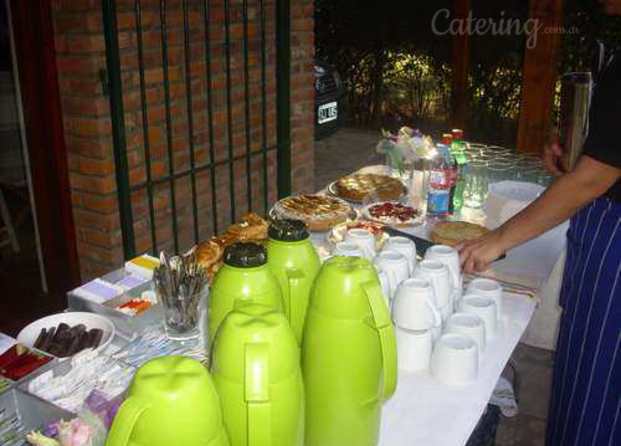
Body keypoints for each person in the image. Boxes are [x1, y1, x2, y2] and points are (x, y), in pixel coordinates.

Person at [458, 2, 621, 445]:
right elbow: (601, 159)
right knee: (582, 364)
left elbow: (594, 179)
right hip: (602, 227)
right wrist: (576, 150)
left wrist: (497, 240)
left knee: (603, 383)